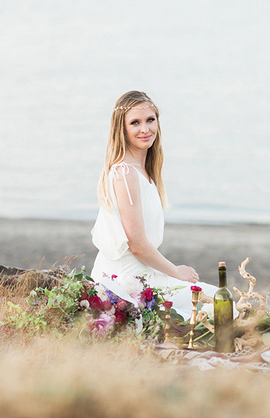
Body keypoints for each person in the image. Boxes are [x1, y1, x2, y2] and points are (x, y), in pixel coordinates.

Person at [89, 91, 216, 319]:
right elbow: (136, 244)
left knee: (216, 302)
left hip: (143, 273)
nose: (145, 129)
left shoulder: (143, 171)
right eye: (135, 123)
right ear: (122, 128)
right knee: (217, 303)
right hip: (126, 281)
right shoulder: (125, 172)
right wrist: (176, 272)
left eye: (150, 120)